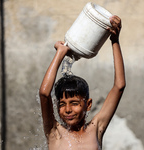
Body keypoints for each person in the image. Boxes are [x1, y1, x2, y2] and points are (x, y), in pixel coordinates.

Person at [39, 15, 125, 150]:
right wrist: (60, 53)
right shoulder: (55, 132)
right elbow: (44, 94)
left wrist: (115, 40)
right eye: (62, 104)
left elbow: (119, 86)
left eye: (74, 103)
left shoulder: (96, 128)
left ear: (88, 104)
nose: (68, 110)